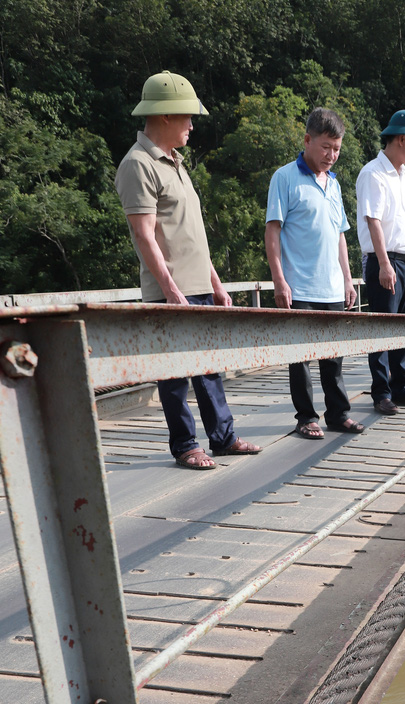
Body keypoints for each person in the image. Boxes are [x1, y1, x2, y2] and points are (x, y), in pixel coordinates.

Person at [115, 71, 261, 469]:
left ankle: (223, 438)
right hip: (170, 290)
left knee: (209, 367)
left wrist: (215, 283)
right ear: (164, 116)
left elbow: (191, 234)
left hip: (197, 284)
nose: (192, 125)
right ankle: (185, 445)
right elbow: (145, 236)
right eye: (187, 117)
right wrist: (171, 289)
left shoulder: (176, 163)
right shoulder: (138, 164)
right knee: (175, 374)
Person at [265, 108, 363, 440]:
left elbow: (339, 236)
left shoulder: (333, 184)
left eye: (336, 149)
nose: (331, 156)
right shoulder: (284, 177)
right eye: (325, 147)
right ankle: (306, 417)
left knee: (333, 358)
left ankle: (338, 414)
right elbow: (273, 232)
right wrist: (279, 280)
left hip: (332, 287)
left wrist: (347, 279)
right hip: (300, 287)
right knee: (301, 358)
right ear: (307, 140)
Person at [357, 108, 405, 415]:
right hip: (385, 261)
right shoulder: (373, 173)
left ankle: (401, 386)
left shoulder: (402, 176)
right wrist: (385, 265)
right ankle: (381, 392)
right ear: (401, 139)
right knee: (383, 329)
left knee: (404, 328)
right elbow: (373, 221)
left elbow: (404, 224)